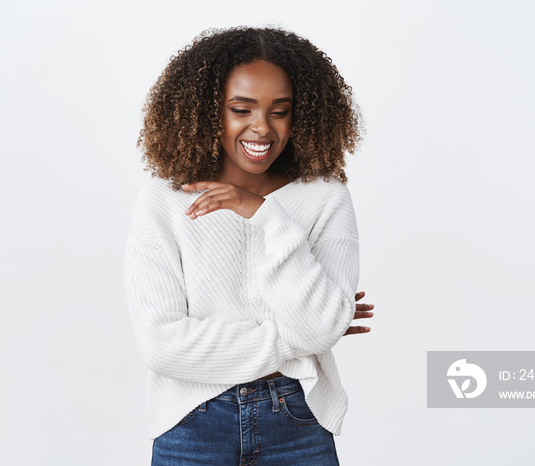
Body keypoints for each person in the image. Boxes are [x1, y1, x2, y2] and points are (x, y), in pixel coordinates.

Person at [124, 26, 374, 465]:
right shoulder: (162, 202)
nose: (262, 127)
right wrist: (299, 338)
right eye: (242, 109)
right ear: (207, 110)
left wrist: (266, 215)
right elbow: (162, 345)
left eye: (281, 111)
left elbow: (319, 329)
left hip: (297, 419)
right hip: (190, 423)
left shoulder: (325, 197)